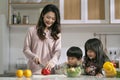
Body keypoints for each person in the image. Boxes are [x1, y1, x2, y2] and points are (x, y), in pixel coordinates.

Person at [23, 4, 61, 74]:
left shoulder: (56, 33)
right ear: (43, 14)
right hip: (33, 72)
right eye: (48, 17)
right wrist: (33, 56)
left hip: (49, 72)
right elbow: (26, 49)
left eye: (53, 19)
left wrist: (52, 62)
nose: (50, 20)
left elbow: (58, 51)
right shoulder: (31, 30)